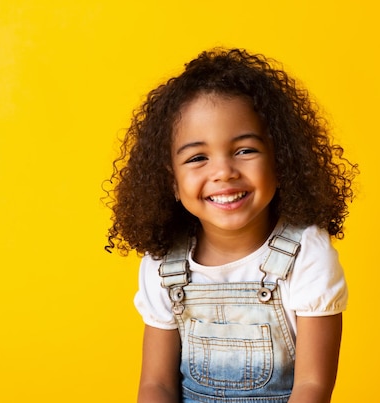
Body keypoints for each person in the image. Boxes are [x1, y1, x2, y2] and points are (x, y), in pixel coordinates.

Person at [105, 48, 357, 403]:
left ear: (280, 159)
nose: (224, 172)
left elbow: (312, 387)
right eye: (197, 158)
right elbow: (156, 385)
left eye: (244, 150)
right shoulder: (164, 264)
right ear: (172, 182)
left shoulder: (306, 256)